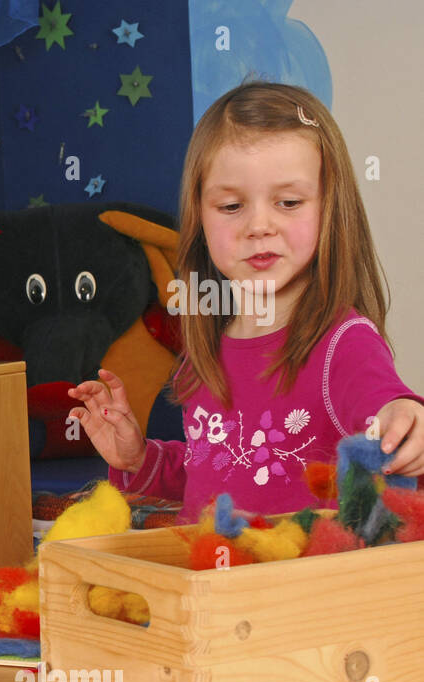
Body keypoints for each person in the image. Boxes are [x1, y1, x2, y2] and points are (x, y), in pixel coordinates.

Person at [67, 82, 424, 521]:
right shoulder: (205, 349)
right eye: (232, 206)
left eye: (288, 202)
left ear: (330, 208)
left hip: (295, 587)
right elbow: (218, 477)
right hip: (212, 583)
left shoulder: (343, 344)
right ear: (199, 214)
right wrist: (140, 458)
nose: (259, 225)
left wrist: (404, 418)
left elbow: (389, 413)